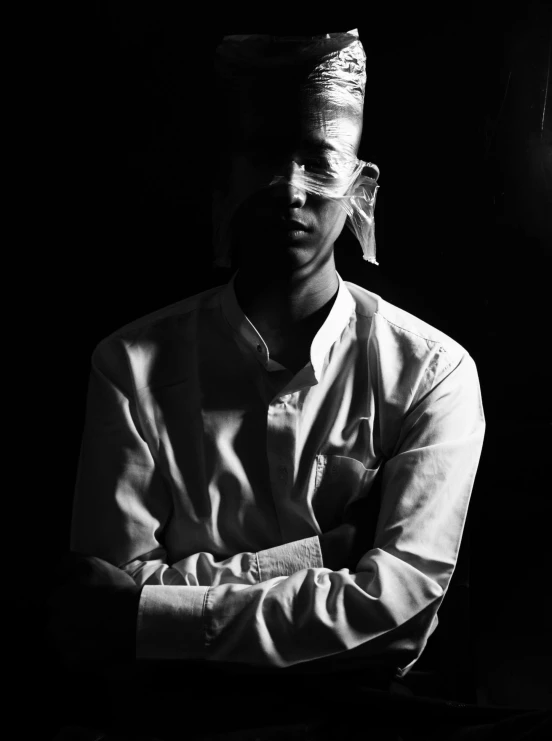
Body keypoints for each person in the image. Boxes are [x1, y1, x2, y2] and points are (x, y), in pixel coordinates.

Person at [47, 28, 516, 741]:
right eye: (267, 157)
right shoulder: (129, 363)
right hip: (174, 722)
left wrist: (161, 616)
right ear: (226, 178)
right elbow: (102, 604)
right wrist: (323, 555)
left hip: (379, 720)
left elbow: (399, 612)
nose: (292, 189)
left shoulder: (434, 371)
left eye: (317, 160)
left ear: (361, 183)